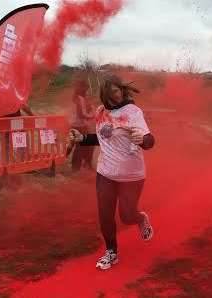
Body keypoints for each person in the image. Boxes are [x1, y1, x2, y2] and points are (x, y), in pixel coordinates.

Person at [70, 74, 155, 270]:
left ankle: (140, 218)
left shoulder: (133, 112)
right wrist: (82, 138)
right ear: (103, 95)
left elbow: (150, 140)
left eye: (116, 91)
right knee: (105, 214)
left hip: (131, 175)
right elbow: (103, 138)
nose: (114, 96)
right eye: (109, 93)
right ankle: (111, 252)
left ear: (122, 90)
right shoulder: (101, 111)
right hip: (105, 173)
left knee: (126, 216)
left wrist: (142, 139)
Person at [69, 79, 95, 172]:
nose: (86, 90)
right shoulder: (79, 98)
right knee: (81, 145)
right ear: (81, 88)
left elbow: (86, 109)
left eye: (87, 88)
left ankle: (85, 164)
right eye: (85, 88)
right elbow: (81, 114)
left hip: (78, 125)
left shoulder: (80, 98)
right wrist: (92, 116)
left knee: (87, 144)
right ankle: (77, 167)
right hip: (78, 126)